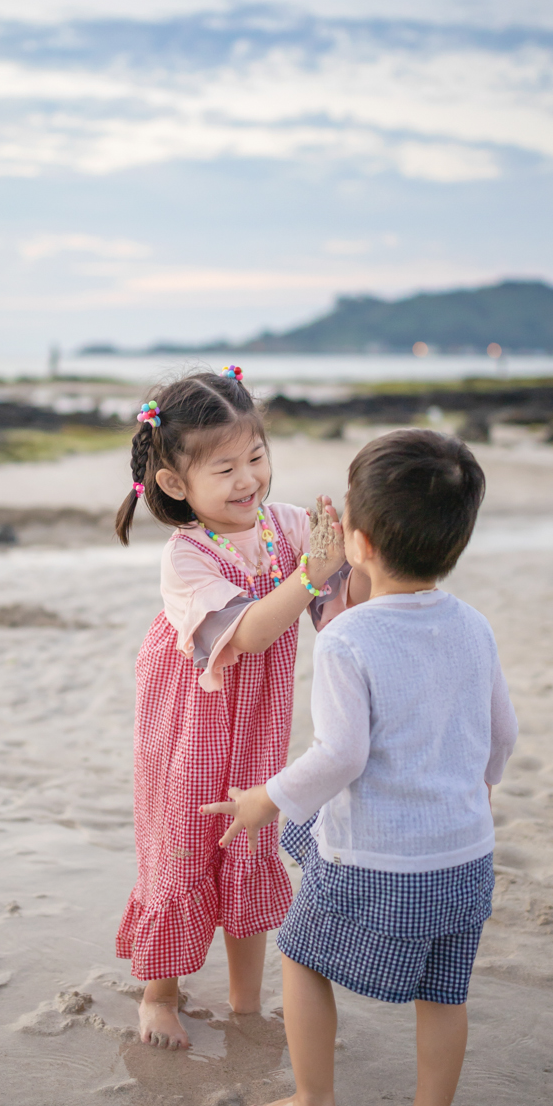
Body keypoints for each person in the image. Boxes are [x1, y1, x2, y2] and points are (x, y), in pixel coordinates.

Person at [202, 429, 518, 1106]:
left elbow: (341, 756)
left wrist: (264, 799)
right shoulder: (473, 625)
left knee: (301, 953)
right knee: (445, 991)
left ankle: (314, 1105)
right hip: (466, 858)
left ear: (359, 542)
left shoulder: (350, 639)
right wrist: (482, 788)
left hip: (377, 860)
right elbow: (503, 732)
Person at [113, 368, 354, 1049]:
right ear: (174, 483)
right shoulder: (186, 555)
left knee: (247, 837)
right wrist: (310, 573)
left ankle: (246, 1003)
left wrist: (349, 561)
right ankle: (159, 994)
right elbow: (248, 633)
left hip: (257, 726)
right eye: (224, 468)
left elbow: (337, 611)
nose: (248, 479)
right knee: (185, 841)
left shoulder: (288, 527)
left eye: (256, 456)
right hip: (189, 723)